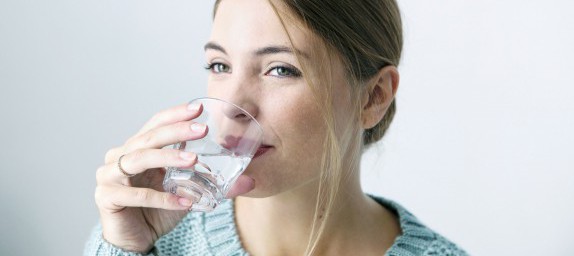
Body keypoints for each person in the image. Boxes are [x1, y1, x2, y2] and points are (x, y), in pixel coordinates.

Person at [85, 0, 468, 255]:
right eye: (219, 66)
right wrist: (126, 248)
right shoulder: (153, 238)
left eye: (280, 69)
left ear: (373, 98)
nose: (232, 107)